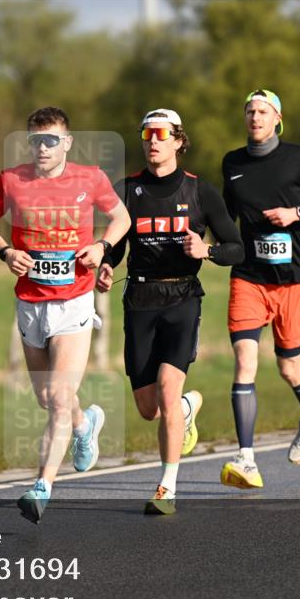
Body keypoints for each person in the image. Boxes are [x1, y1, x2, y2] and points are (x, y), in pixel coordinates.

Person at [0, 106, 132, 524]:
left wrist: (102, 247)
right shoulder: (12, 181)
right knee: (48, 398)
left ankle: (42, 485)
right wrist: (6, 252)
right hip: (30, 302)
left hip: (74, 302)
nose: (42, 148)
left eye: (50, 140)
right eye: (35, 140)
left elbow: (121, 218)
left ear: (66, 142)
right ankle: (86, 425)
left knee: (60, 398)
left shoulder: (90, 178)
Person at [97, 109, 244, 515]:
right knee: (149, 409)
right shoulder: (126, 189)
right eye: (146, 134)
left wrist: (207, 251)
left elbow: (237, 247)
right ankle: (185, 410)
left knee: (166, 386)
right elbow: (118, 242)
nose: (152, 141)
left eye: (161, 134)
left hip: (182, 299)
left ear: (179, 140)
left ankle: (166, 488)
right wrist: (108, 263)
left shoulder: (200, 192)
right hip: (139, 302)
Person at [219, 89, 300, 489]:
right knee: (245, 362)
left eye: (263, 111)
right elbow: (224, 219)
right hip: (248, 276)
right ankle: (246, 458)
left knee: (288, 366)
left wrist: (297, 213)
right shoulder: (232, 163)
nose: (255, 117)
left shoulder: (298, 158)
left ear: (277, 118)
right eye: (249, 111)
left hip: (291, 279)